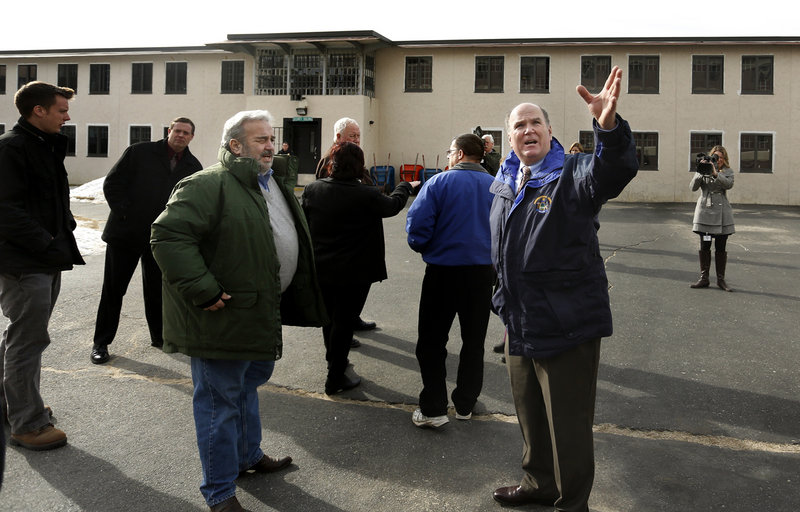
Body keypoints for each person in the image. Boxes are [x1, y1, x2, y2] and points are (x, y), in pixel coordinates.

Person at [150, 110, 326, 512]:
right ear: (236, 146)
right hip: (221, 317)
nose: (271, 146)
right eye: (261, 140)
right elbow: (168, 236)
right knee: (218, 402)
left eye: (270, 138)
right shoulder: (206, 184)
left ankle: (249, 456)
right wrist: (203, 289)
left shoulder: (273, 182)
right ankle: (219, 491)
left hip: (258, 311)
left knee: (246, 388)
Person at [490, 66, 638, 512]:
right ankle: (538, 484)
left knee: (567, 427)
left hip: (567, 324)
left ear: (550, 132)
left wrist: (607, 128)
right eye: (519, 124)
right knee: (531, 418)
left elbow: (613, 171)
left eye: (536, 122)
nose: (528, 129)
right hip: (519, 324)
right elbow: (501, 251)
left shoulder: (572, 174)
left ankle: (573, 503)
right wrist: (501, 303)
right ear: (510, 137)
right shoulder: (503, 182)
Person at [0, 81, 84, 451]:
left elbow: (47, 200)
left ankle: (15, 406)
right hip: (24, 262)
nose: (67, 117)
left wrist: (64, 226)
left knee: (20, 337)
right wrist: (46, 242)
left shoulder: (42, 145)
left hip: (44, 258)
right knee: (27, 341)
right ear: (39, 110)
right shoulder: (11, 148)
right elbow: (5, 210)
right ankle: (27, 424)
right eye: (61, 110)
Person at [302, 142, 418, 395]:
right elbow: (393, 206)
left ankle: (335, 362)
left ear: (332, 164)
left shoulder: (313, 190)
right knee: (343, 323)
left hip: (322, 267)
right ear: (359, 166)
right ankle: (335, 377)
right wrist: (405, 186)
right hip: (355, 272)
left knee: (329, 319)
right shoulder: (366, 194)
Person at [90, 117, 203, 365]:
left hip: (161, 239)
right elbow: (113, 183)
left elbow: (192, 203)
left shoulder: (193, 166)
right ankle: (101, 343)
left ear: (192, 137)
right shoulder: (139, 152)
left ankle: (159, 337)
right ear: (169, 131)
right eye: (178, 130)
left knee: (157, 290)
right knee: (113, 290)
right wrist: (124, 213)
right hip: (125, 234)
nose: (181, 135)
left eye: (187, 133)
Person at [406, 133, 495, 427]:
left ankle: (433, 408)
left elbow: (417, 228)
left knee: (431, 341)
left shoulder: (438, 183)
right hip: (482, 274)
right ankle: (466, 403)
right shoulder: (498, 186)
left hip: (442, 273)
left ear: (458, 154)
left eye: (449, 152)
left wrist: (427, 247)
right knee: (474, 341)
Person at [314, 117, 378, 338]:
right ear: (338, 137)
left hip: (360, 242)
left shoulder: (352, 157)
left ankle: (351, 320)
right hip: (341, 243)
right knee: (341, 296)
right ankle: (340, 334)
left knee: (358, 289)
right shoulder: (331, 161)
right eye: (353, 136)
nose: (357, 140)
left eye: (359, 136)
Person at [689, 145, 735, 291]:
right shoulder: (704, 169)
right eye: (715, 157)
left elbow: (728, 185)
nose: (718, 160)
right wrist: (700, 171)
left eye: (720, 157)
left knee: (721, 246)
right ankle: (704, 278)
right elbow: (693, 188)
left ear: (724, 159)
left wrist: (715, 173)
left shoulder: (728, 172)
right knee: (705, 245)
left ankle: (721, 280)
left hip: (722, 214)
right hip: (705, 211)